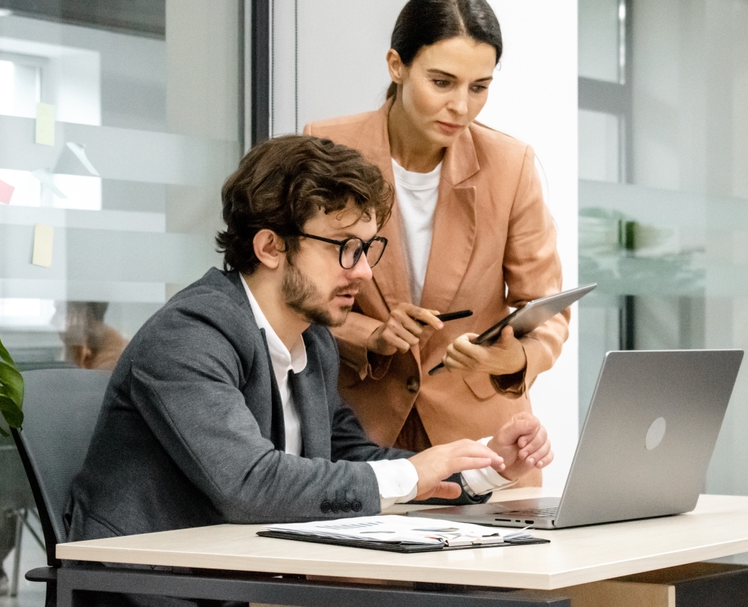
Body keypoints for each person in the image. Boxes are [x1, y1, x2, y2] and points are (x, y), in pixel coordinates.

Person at [66, 135, 552, 561]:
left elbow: (349, 459)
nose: (362, 272)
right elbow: (248, 486)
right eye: (344, 247)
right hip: (154, 589)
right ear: (271, 247)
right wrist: (410, 474)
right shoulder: (189, 336)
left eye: (366, 249)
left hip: (251, 579)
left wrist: (484, 467)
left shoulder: (313, 341)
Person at [304, 0, 568, 484]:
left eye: (479, 87)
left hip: (482, 442)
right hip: (359, 429)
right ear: (396, 65)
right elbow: (292, 295)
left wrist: (516, 358)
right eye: (442, 82)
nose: (461, 107)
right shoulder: (326, 148)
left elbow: (548, 309)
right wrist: (370, 335)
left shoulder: (511, 166)